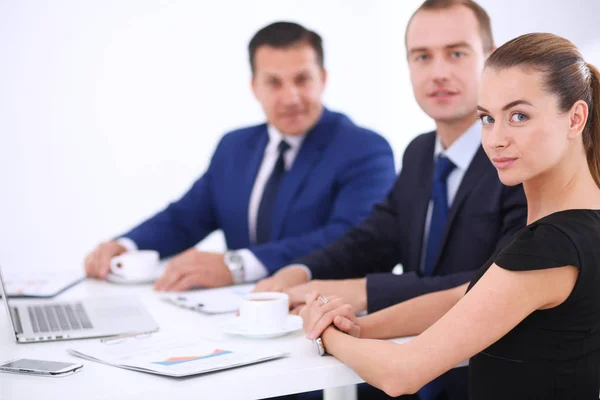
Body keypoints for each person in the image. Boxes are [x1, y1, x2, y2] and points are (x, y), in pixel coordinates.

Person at [300, 32, 600, 399]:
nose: (495, 139)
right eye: (487, 118)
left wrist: (325, 333)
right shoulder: (575, 227)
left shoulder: (552, 245)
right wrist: (361, 328)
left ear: (575, 118)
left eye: (518, 116)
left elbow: (401, 374)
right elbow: (465, 297)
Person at [256, 2, 526, 398]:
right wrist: (299, 272)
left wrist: (362, 292)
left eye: (456, 53)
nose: (438, 72)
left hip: (486, 380)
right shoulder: (420, 153)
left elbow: (493, 284)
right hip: (410, 369)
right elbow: (374, 240)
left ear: (490, 58)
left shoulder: (518, 161)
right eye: (422, 57)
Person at [84, 22, 396, 291]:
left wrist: (238, 265)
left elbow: (350, 240)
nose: (291, 97)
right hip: (239, 316)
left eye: (302, 79)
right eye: (273, 82)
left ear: (323, 78)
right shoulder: (234, 147)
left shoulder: (365, 149)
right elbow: (185, 218)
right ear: (254, 87)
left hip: (325, 313)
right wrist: (125, 245)